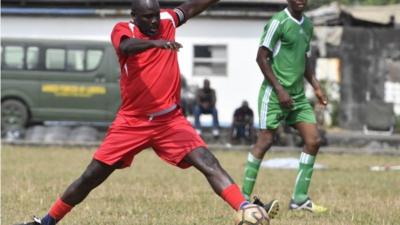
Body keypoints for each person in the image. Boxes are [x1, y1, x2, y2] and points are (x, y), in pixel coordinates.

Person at [16, 0, 279, 224]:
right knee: (90, 177)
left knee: (209, 163)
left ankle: (245, 209)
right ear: (134, 17)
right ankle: (47, 220)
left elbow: (191, 6)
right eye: (148, 17)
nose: (154, 21)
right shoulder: (123, 30)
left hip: (170, 121)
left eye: (156, 15)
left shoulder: (167, 20)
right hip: (132, 122)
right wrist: (156, 44)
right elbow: (125, 47)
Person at [241, 0, 329, 213]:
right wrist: (280, 89)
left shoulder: (308, 25)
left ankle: (299, 199)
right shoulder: (277, 22)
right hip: (274, 94)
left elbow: (304, 59)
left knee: (313, 140)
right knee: (265, 141)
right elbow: (261, 58)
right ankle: (241, 198)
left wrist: (316, 87)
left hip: (297, 96)